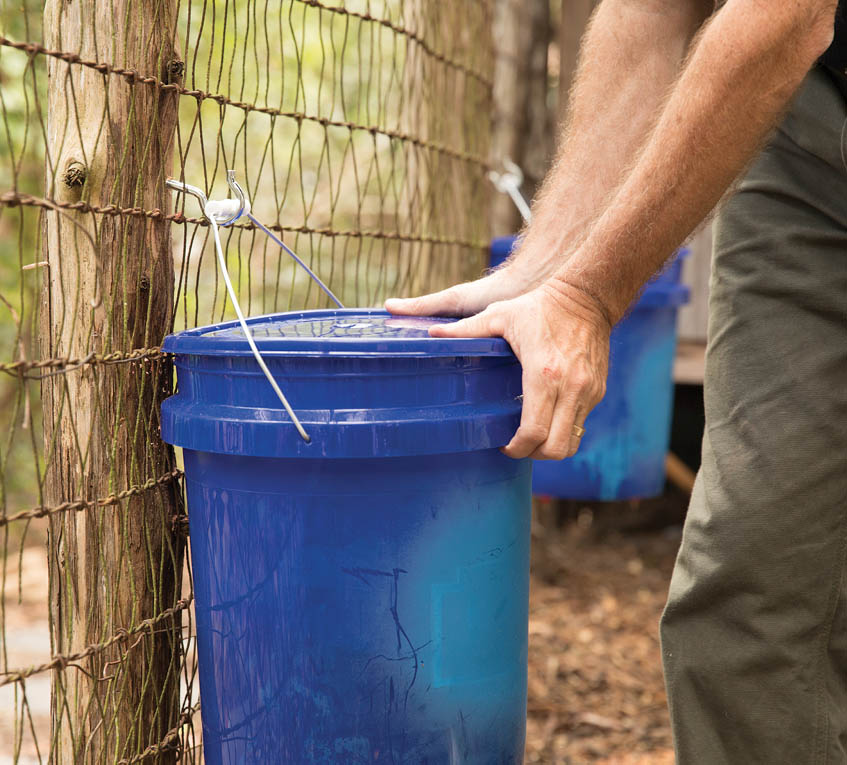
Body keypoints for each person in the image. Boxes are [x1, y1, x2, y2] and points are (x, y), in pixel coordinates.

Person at [386, 0, 847, 761]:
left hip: (794, 35)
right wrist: (542, 272)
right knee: (745, 609)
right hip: (810, 133)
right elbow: (650, 9)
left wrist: (586, 298)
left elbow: (785, 13)